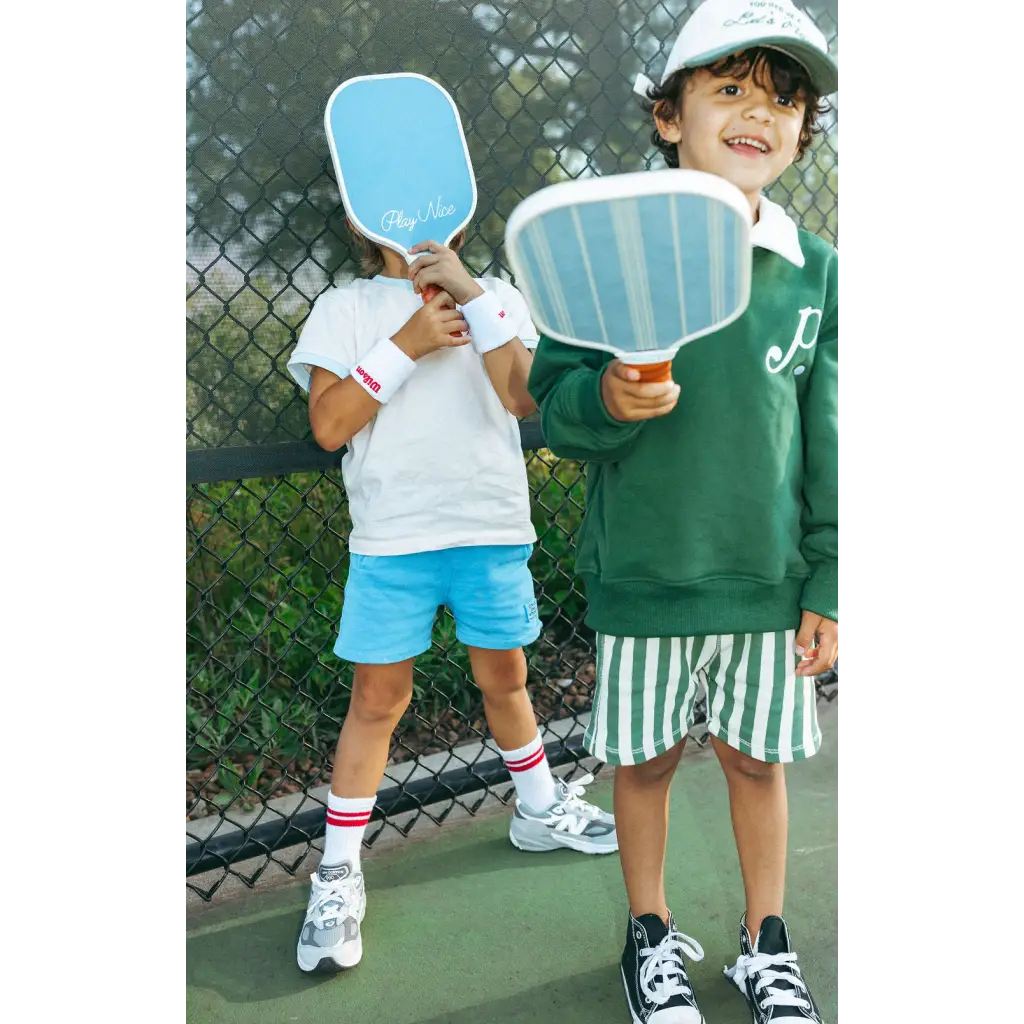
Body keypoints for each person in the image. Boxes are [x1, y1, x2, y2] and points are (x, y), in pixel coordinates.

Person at [526, 0, 839, 1020]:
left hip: (768, 581)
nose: (763, 114)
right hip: (646, 575)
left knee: (756, 760)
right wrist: (609, 401)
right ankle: (649, 935)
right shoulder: (608, 242)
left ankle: (765, 940)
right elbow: (560, 407)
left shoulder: (817, 271)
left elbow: (829, 439)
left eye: (786, 99)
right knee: (647, 760)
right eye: (732, 88)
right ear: (668, 115)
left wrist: (828, 577)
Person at [286, 214, 617, 973]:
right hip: (392, 542)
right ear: (356, 213)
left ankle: (537, 810)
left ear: (465, 209)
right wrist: (408, 342)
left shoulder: (494, 294)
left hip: (489, 531)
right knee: (377, 700)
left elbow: (525, 397)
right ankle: (337, 872)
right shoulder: (345, 307)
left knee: (506, 677)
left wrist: (474, 301)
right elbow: (330, 425)